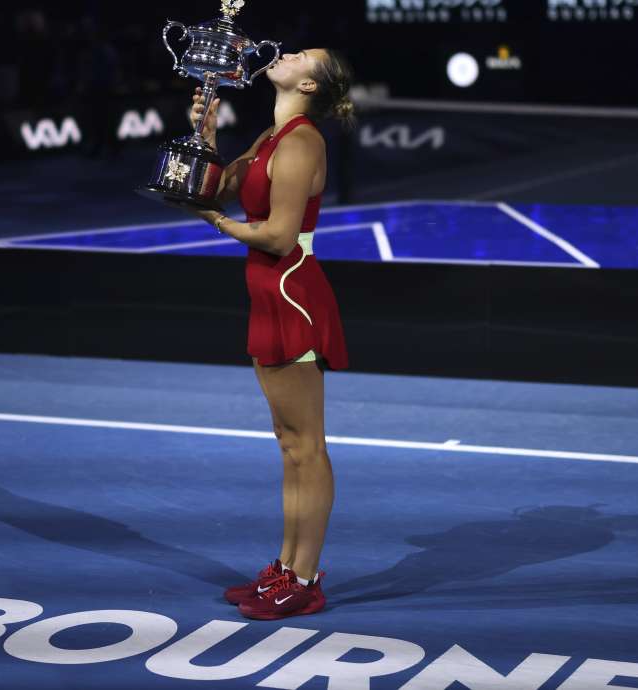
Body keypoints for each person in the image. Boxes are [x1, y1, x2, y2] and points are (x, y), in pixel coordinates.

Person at [182, 48, 354, 620]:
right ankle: (285, 567)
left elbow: (279, 237)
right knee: (289, 446)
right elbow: (217, 187)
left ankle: (305, 579)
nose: (290, 51)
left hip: (290, 296)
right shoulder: (271, 136)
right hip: (267, 294)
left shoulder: (304, 141)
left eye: (305, 55)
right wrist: (204, 139)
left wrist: (217, 225)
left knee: (307, 446)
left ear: (308, 83)